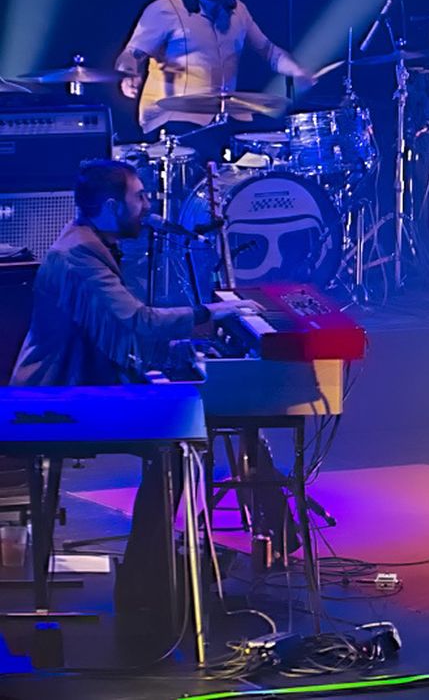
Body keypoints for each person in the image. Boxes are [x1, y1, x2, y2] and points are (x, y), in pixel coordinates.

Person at [11, 159, 259, 639]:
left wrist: (179, 348)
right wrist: (210, 313)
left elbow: (117, 331)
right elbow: (136, 323)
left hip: (72, 391)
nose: (146, 206)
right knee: (176, 443)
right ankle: (147, 584)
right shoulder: (80, 258)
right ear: (109, 207)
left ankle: (152, 577)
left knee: (179, 438)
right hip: (53, 404)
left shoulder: (89, 244)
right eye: (139, 197)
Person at [115, 0, 310, 137]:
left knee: (277, 139)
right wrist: (128, 74)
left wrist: (298, 71)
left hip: (223, 114)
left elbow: (268, 51)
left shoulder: (237, 10)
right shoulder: (164, 9)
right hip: (172, 118)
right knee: (206, 144)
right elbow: (131, 54)